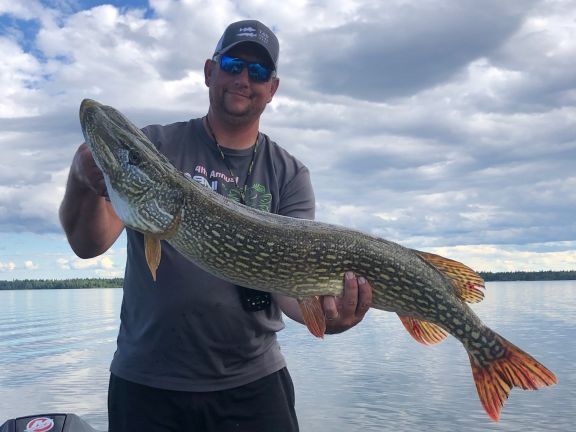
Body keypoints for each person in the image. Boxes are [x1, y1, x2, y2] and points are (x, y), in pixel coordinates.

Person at [59, 20, 373, 432]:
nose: (244, 79)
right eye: (233, 64)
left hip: (252, 382)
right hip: (147, 382)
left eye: (258, 72)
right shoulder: (155, 148)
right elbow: (89, 243)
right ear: (210, 71)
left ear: (272, 88)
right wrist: (82, 179)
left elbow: (289, 287)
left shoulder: (289, 174)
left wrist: (333, 318)